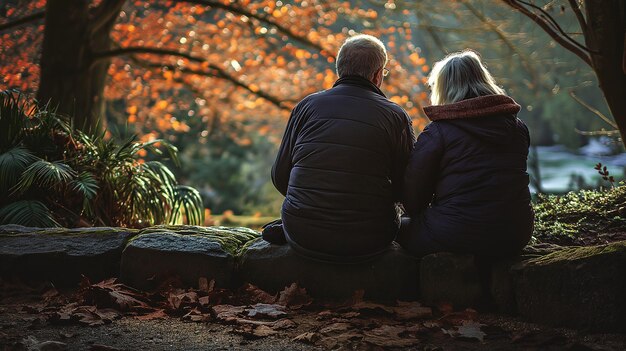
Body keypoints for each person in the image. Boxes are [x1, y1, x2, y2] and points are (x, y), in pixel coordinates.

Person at [270, 34, 416, 263]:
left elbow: (280, 177)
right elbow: (405, 188)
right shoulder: (395, 116)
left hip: (302, 233)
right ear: (377, 74)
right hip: (370, 238)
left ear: (340, 69)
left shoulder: (306, 107)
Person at [398, 50, 533, 258]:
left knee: (400, 228)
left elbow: (414, 199)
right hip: (516, 233)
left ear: (444, 88)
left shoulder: (439, 132)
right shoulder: (517, 128)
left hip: (456, 234)